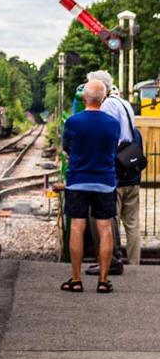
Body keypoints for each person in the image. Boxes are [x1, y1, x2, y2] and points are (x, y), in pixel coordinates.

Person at [60, 77, 118, 292]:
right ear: (103, 98)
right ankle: (103, 281)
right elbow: (113, 148)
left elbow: (67, 147)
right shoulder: (113, 123)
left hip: (78, 181)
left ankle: (76, 280)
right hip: (105, 181)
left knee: (77, 226)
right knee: (104, 228)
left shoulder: (73, 122)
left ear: (84, 97)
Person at [87, 69, 139, 271]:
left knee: (108, 218)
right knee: (132, 224)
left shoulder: (107, 105)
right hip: (130, 167)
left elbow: (105, 135)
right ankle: (135, 263)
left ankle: (110, 259)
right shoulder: (125, 103)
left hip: (115, 168)